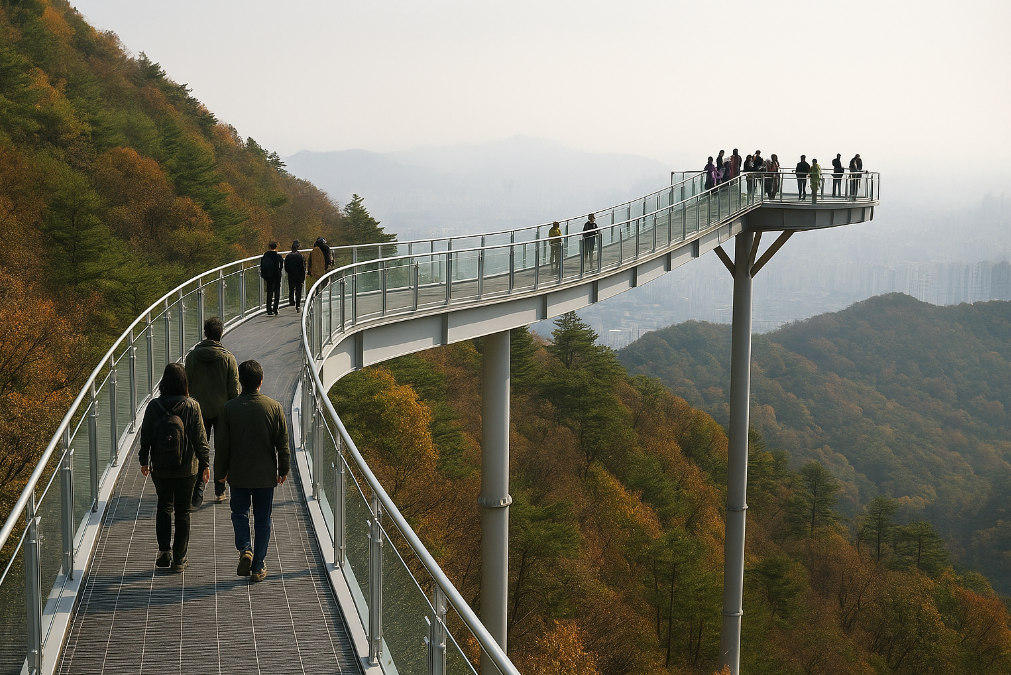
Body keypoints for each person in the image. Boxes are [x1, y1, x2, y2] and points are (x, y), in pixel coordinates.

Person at [215, 360, 290, 582]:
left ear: (240, 381)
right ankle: (258, 566)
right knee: (263, 518)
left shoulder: (229, 408)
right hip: (265, 475)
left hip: (238, 474)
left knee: (239, 513)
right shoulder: (274, 407)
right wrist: (283, 468)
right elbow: (282, 444)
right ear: (261, 381)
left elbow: (222, 446)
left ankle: (245, 548)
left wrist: (221, 472)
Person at [139, 363, 210, 572]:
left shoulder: (153, 406)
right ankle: (179, 559)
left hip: (160, 467)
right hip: (187, 468)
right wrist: (205, 464)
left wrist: (144, 460)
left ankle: (164, 551)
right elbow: (200, 440)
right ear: (184, 382)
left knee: (164, 507)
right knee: (183, 512)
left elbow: (146, 437)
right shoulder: (192, 406)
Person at [185, 316, 240, 505]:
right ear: (221, 334)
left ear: (205, 333)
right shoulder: (228, 358)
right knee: (222, 450)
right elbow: (234, 390)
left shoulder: (192, 357)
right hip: (222, 412)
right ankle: (219, 490)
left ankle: (197, 490)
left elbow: (185, 384)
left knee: (199, 449)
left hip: (197, 411)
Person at [260, 241, 283, 316]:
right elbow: (281, 266)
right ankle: (275, 308)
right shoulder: (277, 256)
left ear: (269, 247)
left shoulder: (265, 255)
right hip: (276, 276)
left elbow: (262, 265)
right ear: (275, 247)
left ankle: (269, 309)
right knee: (277, 292)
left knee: (269, 292)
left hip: (268, 276)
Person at [284, 240, 306, 311]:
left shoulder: (288, 256)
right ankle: (298, 304)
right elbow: (303, 267)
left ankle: (291, 301)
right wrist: (303, 277)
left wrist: (289, 272)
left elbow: (286, 267)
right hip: (299, 276)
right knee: (298, 290)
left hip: (291, 275)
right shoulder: (300, 256)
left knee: (291, 289)